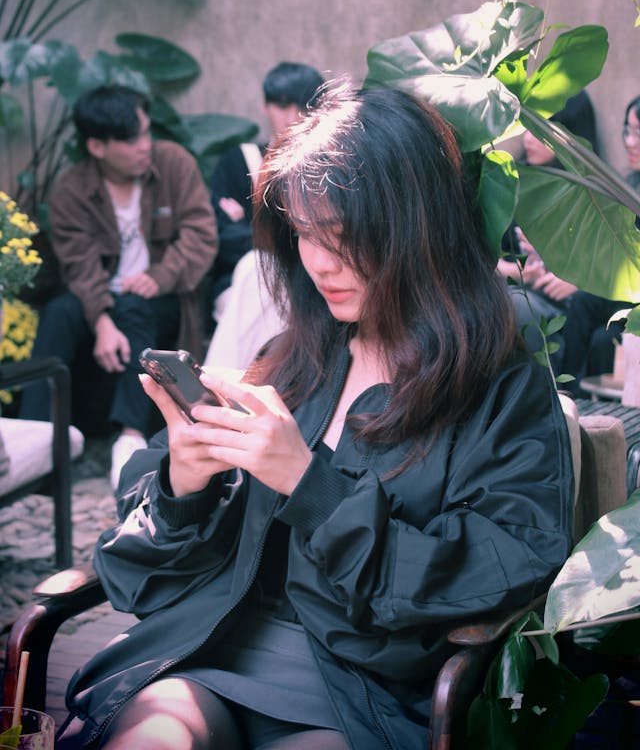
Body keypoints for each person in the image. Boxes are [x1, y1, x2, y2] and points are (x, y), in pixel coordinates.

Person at [56, 86, 573, 750]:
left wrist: (309, 483)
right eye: (303, 233)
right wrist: (184, 483)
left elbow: (493, 573)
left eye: (344, 236)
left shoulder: (502, 393)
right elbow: (149, 569)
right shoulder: (293, 359)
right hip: (213, 652)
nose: (320, 263)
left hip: (362, 693)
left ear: (418, 230)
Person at [18, 85, 218, 489]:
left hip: (164, 297)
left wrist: (159, 276)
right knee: (59, 312)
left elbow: (201, 235)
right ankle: (35, 440)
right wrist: (102, 318)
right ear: (96, 146)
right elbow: (78, 263)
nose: (144, 145)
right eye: (130, 139)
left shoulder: (174, 164)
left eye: (146, 132)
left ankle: (129, 435)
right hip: (97, 297)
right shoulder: (73, 188)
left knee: (135, 308)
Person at [209, 61, 324, 320]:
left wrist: (250, 227)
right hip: (241, 281)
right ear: (265, 106)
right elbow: (222, 236)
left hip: (313, 281)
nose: (294, 117)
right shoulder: (239, 161)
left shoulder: (329, 167)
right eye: (283, 106)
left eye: (305, 107)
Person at [497, 90, 599, 355]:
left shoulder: (594, 194)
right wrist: (516, 271)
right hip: (525, 293)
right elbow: (487, 255)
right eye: (527, 127)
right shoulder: (513, 181)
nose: (528, 139)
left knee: (516, 309)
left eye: (540, 130)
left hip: (568, 307)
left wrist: (578, 281)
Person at [558, 94, 640, 394]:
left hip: (634, 296)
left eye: (638, 133)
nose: (629, 142)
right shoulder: (627, 185)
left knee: (602, 340)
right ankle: (566, 396)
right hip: (624, 291)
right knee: (581, 305)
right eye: (627, 131)